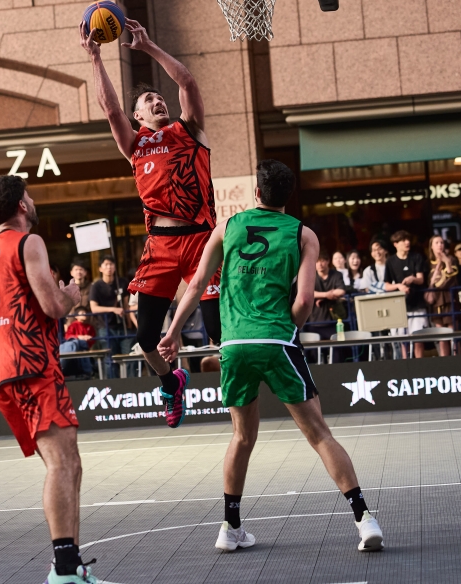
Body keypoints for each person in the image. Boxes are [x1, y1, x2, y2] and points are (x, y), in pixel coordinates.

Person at [158, 159, 384, 554]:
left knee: (242, 436)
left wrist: (173, 332)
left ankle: (229, 528)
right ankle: (365, 520)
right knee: (319, 434)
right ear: (288, 196)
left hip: (234, 345)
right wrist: (286, 330)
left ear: (257, 192)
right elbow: (305, 301)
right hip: (277, 340)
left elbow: (195, 286)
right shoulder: (303, 234)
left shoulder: (227, 227)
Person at [0, 176, 113, 584]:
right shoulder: (28, 243)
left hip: (2, 371)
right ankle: (64, 569)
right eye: (30, 196)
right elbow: (53, 306)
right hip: (32, 364)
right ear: (21, 204)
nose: (33, 202)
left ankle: (70, 566)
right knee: (62, 463)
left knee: (68, 463)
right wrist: (70, 294)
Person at [81, 17, 222, 428]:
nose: (158, 101)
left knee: (218, 332)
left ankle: (238, 386)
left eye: (161, 98)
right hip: (159, 246)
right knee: (146, 340)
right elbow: (110, 109)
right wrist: (95, 57)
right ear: (138, 116)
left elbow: (188, 82)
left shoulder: (189, 130)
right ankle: (171, 383)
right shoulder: (135, 144)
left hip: (201, 242)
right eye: (149, 101)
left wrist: (149, 48)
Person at [384, 230, 428, 358]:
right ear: (395, 244)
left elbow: (421, 279)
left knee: (418, 339)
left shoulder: (416, 257)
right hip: (400, 306)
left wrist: (412, 279)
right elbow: (386, 285)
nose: (407, 242)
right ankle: (406, 364)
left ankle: (419, 364)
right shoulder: (390, 261)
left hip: (417, 305)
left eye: (408, 240)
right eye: (403, 240)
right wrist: (398, 286)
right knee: (404, 341)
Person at [425, 235, 458, 356]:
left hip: (449, 300)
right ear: (431, 246)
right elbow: (428, 283)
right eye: (437, 243)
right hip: (436, 302)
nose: (440, 245)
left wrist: (447, 262)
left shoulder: (451, 259)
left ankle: (458, 360)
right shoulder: (428, 263)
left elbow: (451, 280)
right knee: (441, 336)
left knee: (453, 334)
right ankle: (445, 361)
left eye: (442, 242)